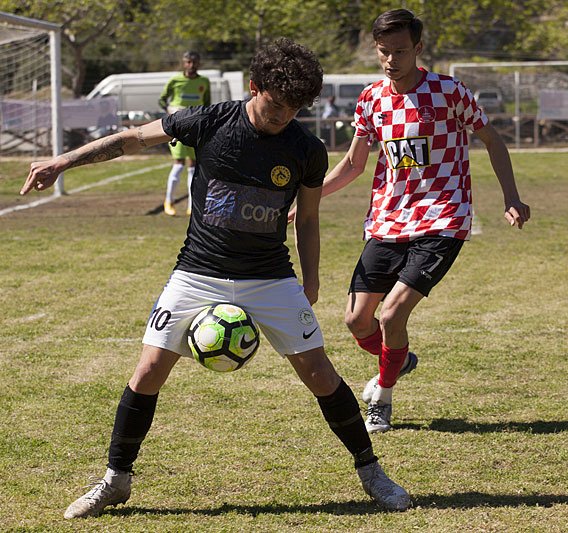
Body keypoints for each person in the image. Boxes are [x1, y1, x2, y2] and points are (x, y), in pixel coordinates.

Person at [20, 38, 410, 518]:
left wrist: (310, 281)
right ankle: (114, 480)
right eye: (274, 106)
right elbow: (131, 139)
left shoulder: (306, 149)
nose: (282, 117)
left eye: (293, 110)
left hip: (270, 277)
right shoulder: (209, 121)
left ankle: (372, 472)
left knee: (320, 373)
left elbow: (307, 221)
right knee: (147, 372)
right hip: (198, 271)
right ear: (254, 87)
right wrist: (63, 161)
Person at [296, 9, 529, 433]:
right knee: (356, 320)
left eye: (400, 51)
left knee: (391, 317)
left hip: (443, 216)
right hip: (388, 220)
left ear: (418, 49)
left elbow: (492, 140)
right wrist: (307, 199)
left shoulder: (449, 91)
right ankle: (399, 361)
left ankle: (382, 399)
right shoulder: (371, 98)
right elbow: (352, 164)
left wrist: (511, 196)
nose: (391, 60)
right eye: (384, 51)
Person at [158, 51, 211, 216]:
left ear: (199, 63)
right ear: (184, 63)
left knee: (193, 167)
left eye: (194, 62)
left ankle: (191, 205)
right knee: (179, 163)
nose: (191, 65)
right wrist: (170, 112)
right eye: (188, 62)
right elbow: (162, 99)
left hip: (195, 128)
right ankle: (169, 201)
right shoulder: (175, 80)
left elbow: (207, 104)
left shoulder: (204, 81)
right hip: (178, 128)